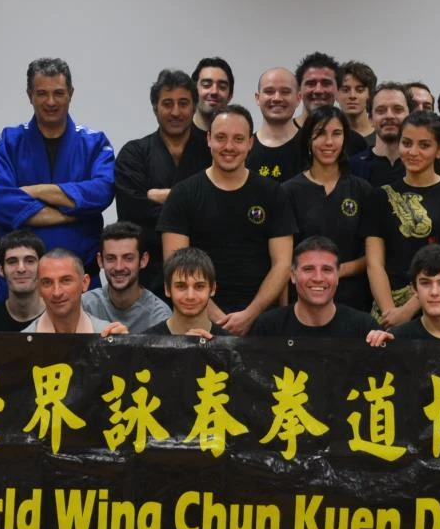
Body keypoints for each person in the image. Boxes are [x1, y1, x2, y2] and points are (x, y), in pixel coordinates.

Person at [159, 105, 295, 332]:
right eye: (221, 137)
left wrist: (250, 315)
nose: (229, 147)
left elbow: (282, 264)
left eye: (238, 139)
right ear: (208, 139)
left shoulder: (273, 193)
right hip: (199, 324)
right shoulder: (183, 194)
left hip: (262, 322)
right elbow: (175, 265)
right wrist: (220, 322)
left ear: (250, 143)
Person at [0, 57, 115, 278]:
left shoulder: (94, 143)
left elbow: (102, 191)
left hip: (80, 275)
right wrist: (71, 214)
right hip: (20, 278)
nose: (51, 102)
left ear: (71, 94)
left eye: (59, 93)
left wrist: (34, 191)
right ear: (30, 95)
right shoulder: (8, 142)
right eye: (42, 93)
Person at [365, 111, 440, 328]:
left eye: (424, 145)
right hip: (389, 309)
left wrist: (407, 311)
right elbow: (374, 263)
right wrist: (390, 313)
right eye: (407, 143)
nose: (413, 152)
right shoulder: (380, 196)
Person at [114, 69, 205, 292]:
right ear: (155, 107)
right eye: (167, 104)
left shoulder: (210, 151)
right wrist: (193, 204)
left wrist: (161, 196)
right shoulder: (134, 153)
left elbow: (219, 207)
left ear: (194, 106)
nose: (175, 112)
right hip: (147, 275)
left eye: (183, 103)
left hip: (203, 268)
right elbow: (132, 212)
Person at [283, 105, 378, 311]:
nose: (328, 142)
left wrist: (334, 271)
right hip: (302, 300)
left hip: (353, 302)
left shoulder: (361, 190)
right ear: (308, 139)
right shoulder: (288, 192)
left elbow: (374, 255)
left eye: (336, 134)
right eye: (320, 134)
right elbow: (283, 259)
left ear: (345, 139)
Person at [250, 238, 391, 342]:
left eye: (327, 270)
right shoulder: (268, 328)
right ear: (292, 276)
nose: (318, 278)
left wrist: (386, 348)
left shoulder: (364, 328)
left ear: (337, 276)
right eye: (308, 269)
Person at [83, 221, 170, 330]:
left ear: (143, 260)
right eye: (111, 258)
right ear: (100, 260)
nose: (119, 267)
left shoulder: (158, 315)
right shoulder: (85, 306)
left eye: (128, 258)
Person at [28, 249, 125, 335]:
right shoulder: (23, 343)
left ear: (84, 283)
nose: (57, 293)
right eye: (47, 282)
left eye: (66, 280)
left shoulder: (108, 335)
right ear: (38, 288)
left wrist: (124, 345)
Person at [133, 246, 219, 339]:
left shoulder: (228, 343)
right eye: (181, 286)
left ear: (213, 289)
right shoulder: (146, 341)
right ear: (167, 289)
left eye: (199, 286)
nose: (190, 296)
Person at [0, 230, 45, 332]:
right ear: (1, 270)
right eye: (12, 262)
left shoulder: (57, 316)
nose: (21, 269)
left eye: (29, 261)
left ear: (42, 267)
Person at [249, 67, 308, 182]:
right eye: (269, 91)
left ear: (298, 98)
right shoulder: (244, 149)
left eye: (285, 92)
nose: (277, 98)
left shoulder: (311, 148)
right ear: (258, 98)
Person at [351, 83, 412, 189]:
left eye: (398, 109)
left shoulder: (424, 164)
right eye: (381, 111)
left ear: (410, 116)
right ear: (370, 119)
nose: (389, 116)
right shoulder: (353, 167)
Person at [337, 60, 377, 155]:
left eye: (360, 90)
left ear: (370, 95)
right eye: (345, 90)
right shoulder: (329, 139)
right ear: (336, 95)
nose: (352, 96)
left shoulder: (382, 137)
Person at [293, 53, 340, 127]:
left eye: (326, 83)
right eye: (311, 83)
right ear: (299, 90)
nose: (318, 90)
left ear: (338, 90)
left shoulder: (350, 134)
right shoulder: (283, 133)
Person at [193, 57, 234, 130]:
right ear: (193, 91)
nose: (214, 91)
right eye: (206, 85)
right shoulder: (178, 133)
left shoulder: (239, 134)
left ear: (230, 95)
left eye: (222, 87)